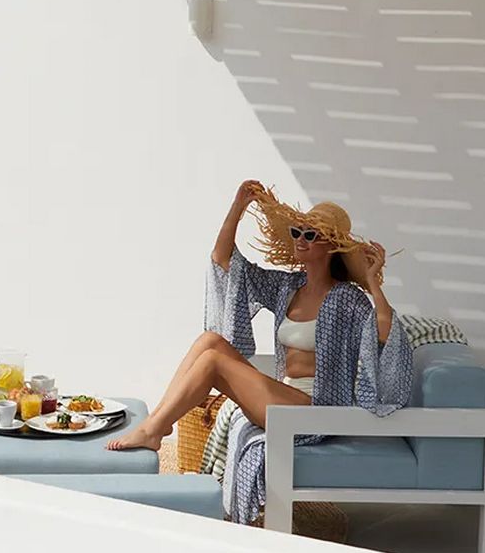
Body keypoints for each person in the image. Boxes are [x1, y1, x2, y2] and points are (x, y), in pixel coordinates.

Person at [106, 179, 410, 456]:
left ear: (330, 246)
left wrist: (371, 282)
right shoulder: (288, 286)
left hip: (314, 412)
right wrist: (238, 207)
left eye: (310, 234)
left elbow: (383, 334)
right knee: (209, 341)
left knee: (213, 362)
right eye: (296, 232)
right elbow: (224, 261)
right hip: (283, 398)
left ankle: (152, 429)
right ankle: (157, 425)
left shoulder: (346, 298)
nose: (300, 239)